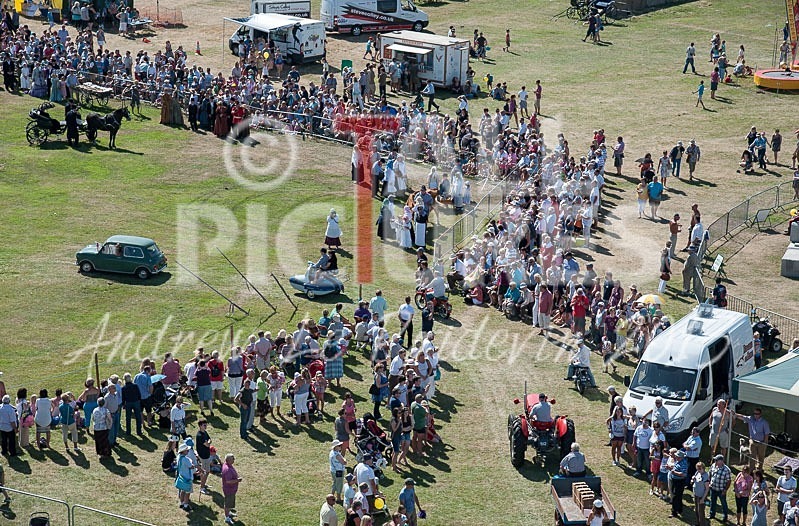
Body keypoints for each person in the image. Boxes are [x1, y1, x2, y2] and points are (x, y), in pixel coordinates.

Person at [708, 454, 731, 522]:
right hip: (713, 488)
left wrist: (725, 490)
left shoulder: (726, 470)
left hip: (721, 490)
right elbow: (710, 474)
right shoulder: (713, 466)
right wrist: (709, 483)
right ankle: (712, 514)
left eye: (716, 460)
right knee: (712, 502)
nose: (715, 461)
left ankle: (725, 517)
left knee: (723, 503)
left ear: (721, 461)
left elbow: (728, 481)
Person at [221, 453, 241, 524]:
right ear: (228, 460)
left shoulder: (226, 465)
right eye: (233, 459)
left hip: (231, 489)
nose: (234, 460)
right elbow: (228, 481)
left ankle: (229, 513)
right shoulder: (227, 469)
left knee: (230, 503)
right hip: (229, 490)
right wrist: (237, 480)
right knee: (228, 504)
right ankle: (227, 518)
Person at [669, 450, 688, 518]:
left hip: (679, 482)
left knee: (675, 496)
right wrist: (671, 468)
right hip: (675, 480)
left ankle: (674, 512)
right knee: (678, 496)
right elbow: (676, 469)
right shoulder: (678, 461)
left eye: (677, 456)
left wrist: (674, 472)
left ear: (681, 457)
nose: (676, 457)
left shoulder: (683, 463)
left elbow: (683, 474)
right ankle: (679, 509)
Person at [195, 419, 212, 495]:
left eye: (206, 425)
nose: (206, 426)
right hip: (203, 456)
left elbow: (209, 439)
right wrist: (208, 442)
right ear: (200, 426)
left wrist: (208, 442)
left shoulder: (204, 432)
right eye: (204, 425)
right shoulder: (199, 435)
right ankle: (202, 487)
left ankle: (203, 483)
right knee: (205, 472)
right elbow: (208, 444)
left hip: (207, 455)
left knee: (207, 471)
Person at [691, 461, 710, 526]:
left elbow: (707, 489)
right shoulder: (697, 473)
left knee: (701, 512)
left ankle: (702, 524)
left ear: (703, 468)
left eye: (700, 469)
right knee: (696, 510)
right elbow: (694, 481)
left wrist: (703, 499)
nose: (698, 470)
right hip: (696, 494)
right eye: (697, 469)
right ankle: (698, 523)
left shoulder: (705, 476)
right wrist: (692, 479)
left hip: (701, 496)